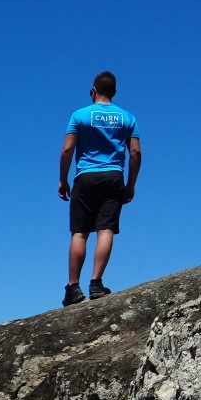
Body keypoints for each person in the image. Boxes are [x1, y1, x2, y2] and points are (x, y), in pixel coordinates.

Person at [58, 71, 141, 306]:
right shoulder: (127, 118)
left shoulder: (80, 115)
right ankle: (96, 283)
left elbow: (67, 150)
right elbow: (135, 152)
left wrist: (63, 180)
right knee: (105, 229)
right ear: (114, 92)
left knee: (80, 232)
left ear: (93, 90)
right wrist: (131, 184)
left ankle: (73, 287)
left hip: (85, 177)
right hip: (114, 176)